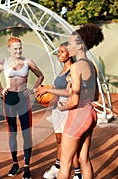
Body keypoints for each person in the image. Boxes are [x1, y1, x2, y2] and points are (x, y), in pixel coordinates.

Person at [57, 23, 103, 179]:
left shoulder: (76, 67)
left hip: (78, 115)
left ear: (81, 46)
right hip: (90, 114)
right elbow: (95, 96)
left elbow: (74, 101)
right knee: (84, 159)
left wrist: (63, 106)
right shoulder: (92, 66)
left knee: (65, 163)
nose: (68, 47)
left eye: (70, 44)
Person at [0, 36, 44, 179]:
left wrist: (33, 89)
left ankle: (27, 166)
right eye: (15, 48)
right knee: (12, 133)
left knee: (26, 133)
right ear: (9, 49)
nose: (18, 50)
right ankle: (15, 163)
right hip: (9, 98)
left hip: (23, 98)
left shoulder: (28, 62)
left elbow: (40, 76)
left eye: (20, 48)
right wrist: (0, 89)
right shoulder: (3, 62)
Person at [36, 43, 82, 179]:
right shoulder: (62, 72)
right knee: (59, 140)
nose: (59, 54)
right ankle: (57, 166)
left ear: (70, 53)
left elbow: (70, 92)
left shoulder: (72, 71)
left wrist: (48, 90)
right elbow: (55, 89)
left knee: (68, 143)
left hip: (67, 109)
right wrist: (41, 93)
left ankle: (78, 173)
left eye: (62, 52)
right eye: (59, 52)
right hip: (57, 110)